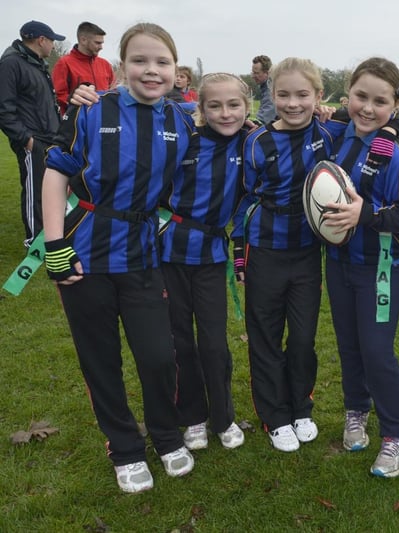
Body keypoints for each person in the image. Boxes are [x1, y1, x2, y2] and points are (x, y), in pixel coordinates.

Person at [41, 22, 196, 494]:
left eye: (162, 62)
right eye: (140, 61)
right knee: (101, 359)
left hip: (143, 257)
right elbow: (56, 174)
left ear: (174, 69)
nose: (152, 70)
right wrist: (54, 248)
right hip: (85, 256)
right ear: (122, 67)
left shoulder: (182, 121)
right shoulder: (90, 110)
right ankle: (124, 448)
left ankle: (167, 436)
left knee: (157, 355)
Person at [236, 57, 349, 453]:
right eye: (283, 94)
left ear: (318, 97)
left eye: (303, 94)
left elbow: (381, 121)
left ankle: (302, 407)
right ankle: (276, 416)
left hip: (306, 253)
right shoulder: (256, 141)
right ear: (271, 95)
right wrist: (239, 255)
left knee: (302, 339)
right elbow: (245, 198)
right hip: (265, 249)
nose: (293, 103)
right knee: (266, 337)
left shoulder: (330, 133)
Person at [323, 57, 399, 477]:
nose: (367, 108)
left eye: (379, 101)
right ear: (348, 94)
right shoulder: (332, 136)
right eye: (361, 96)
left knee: (377, 351)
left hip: (379, 266)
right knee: (348, 345)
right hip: (337, 263)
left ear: (395, 104)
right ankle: (355, 412)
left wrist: (368, 214)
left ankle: (396, 435)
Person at [159, 73, 250, 453]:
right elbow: (148, 105)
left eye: (234, 105)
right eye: (214, 105)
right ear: (201, 107)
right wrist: (91, 94)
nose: (225, 113)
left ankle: (223, 417)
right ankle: (192, 417)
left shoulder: (252, 141)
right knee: (179, 339)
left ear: (247, 108)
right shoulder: (184, 139)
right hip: (169, 252)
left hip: (212, 256)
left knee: (213, 342)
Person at [0, 20, 65, 247]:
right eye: (53, 41)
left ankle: (50, 235)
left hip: (49, 138)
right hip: (32, 140)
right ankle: (34, 242)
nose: (54, 47)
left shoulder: (37, 63)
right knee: (35, 191)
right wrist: (26, 141)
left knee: (51, 189)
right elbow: (4, 109)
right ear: (41, 40)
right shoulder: (10, 63)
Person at [52, 21, 115, 115]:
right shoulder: (64, 63)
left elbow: (113, 92)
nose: (101, 47)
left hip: (104, 120)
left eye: (102, 43)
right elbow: (58, 96)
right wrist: (75, 102)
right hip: (76, 123)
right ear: (83, 40)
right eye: (97, 43)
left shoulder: (105, 65)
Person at [251, 55, 276, 124]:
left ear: (267, 73)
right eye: (253, 72)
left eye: (256, 73)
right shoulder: (265, 87)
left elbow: (263, 119)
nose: (253, 76)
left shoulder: (270, 89)